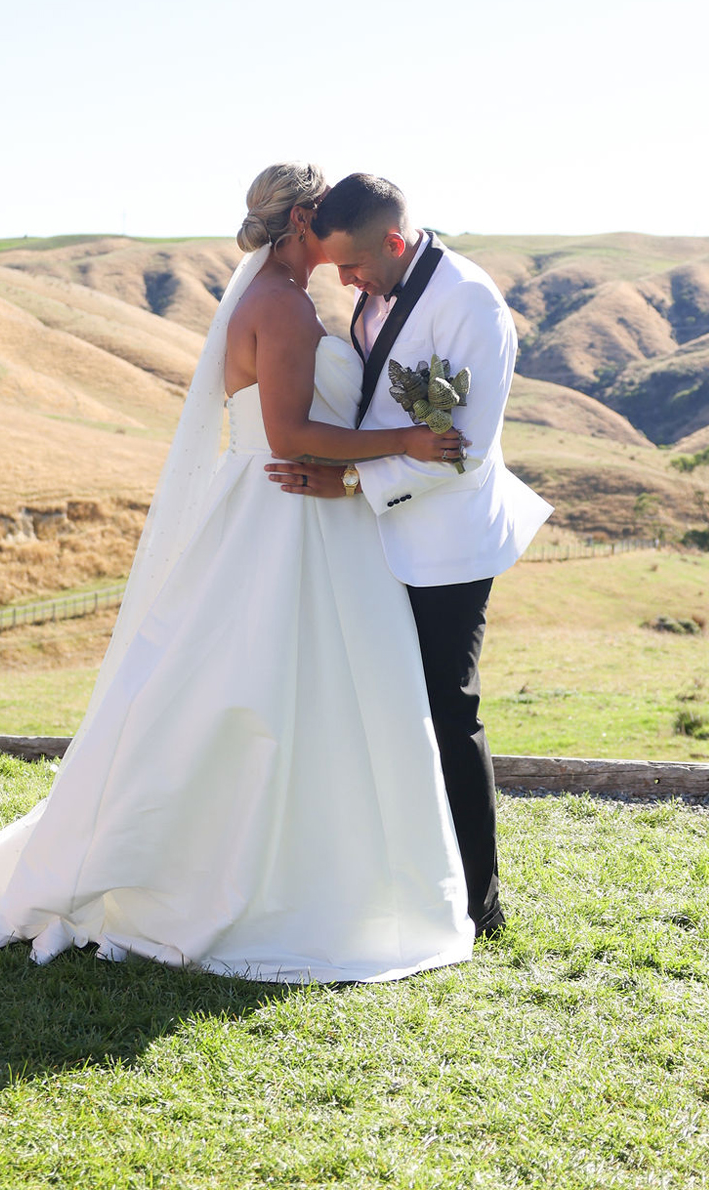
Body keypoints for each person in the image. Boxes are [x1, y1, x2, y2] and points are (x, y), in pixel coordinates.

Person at [0, 163, 475, 982]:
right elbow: (288, 436)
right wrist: (407, 442)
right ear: (308, 219)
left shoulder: (292, 299)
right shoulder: (279, 309)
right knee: (273, 688)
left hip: (307, 515)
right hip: (288, 514)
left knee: (303, 692)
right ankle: (263, 884)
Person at [268, 173, 552, 938]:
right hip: (380, 535)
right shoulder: (377, 282)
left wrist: (351, 481)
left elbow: (462, 449)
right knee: (388, 706)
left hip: (447, 543)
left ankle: (478, 903)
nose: (348, 283)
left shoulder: (468, 304)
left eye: (356, 268)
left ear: (394, 241)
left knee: (447, 709)